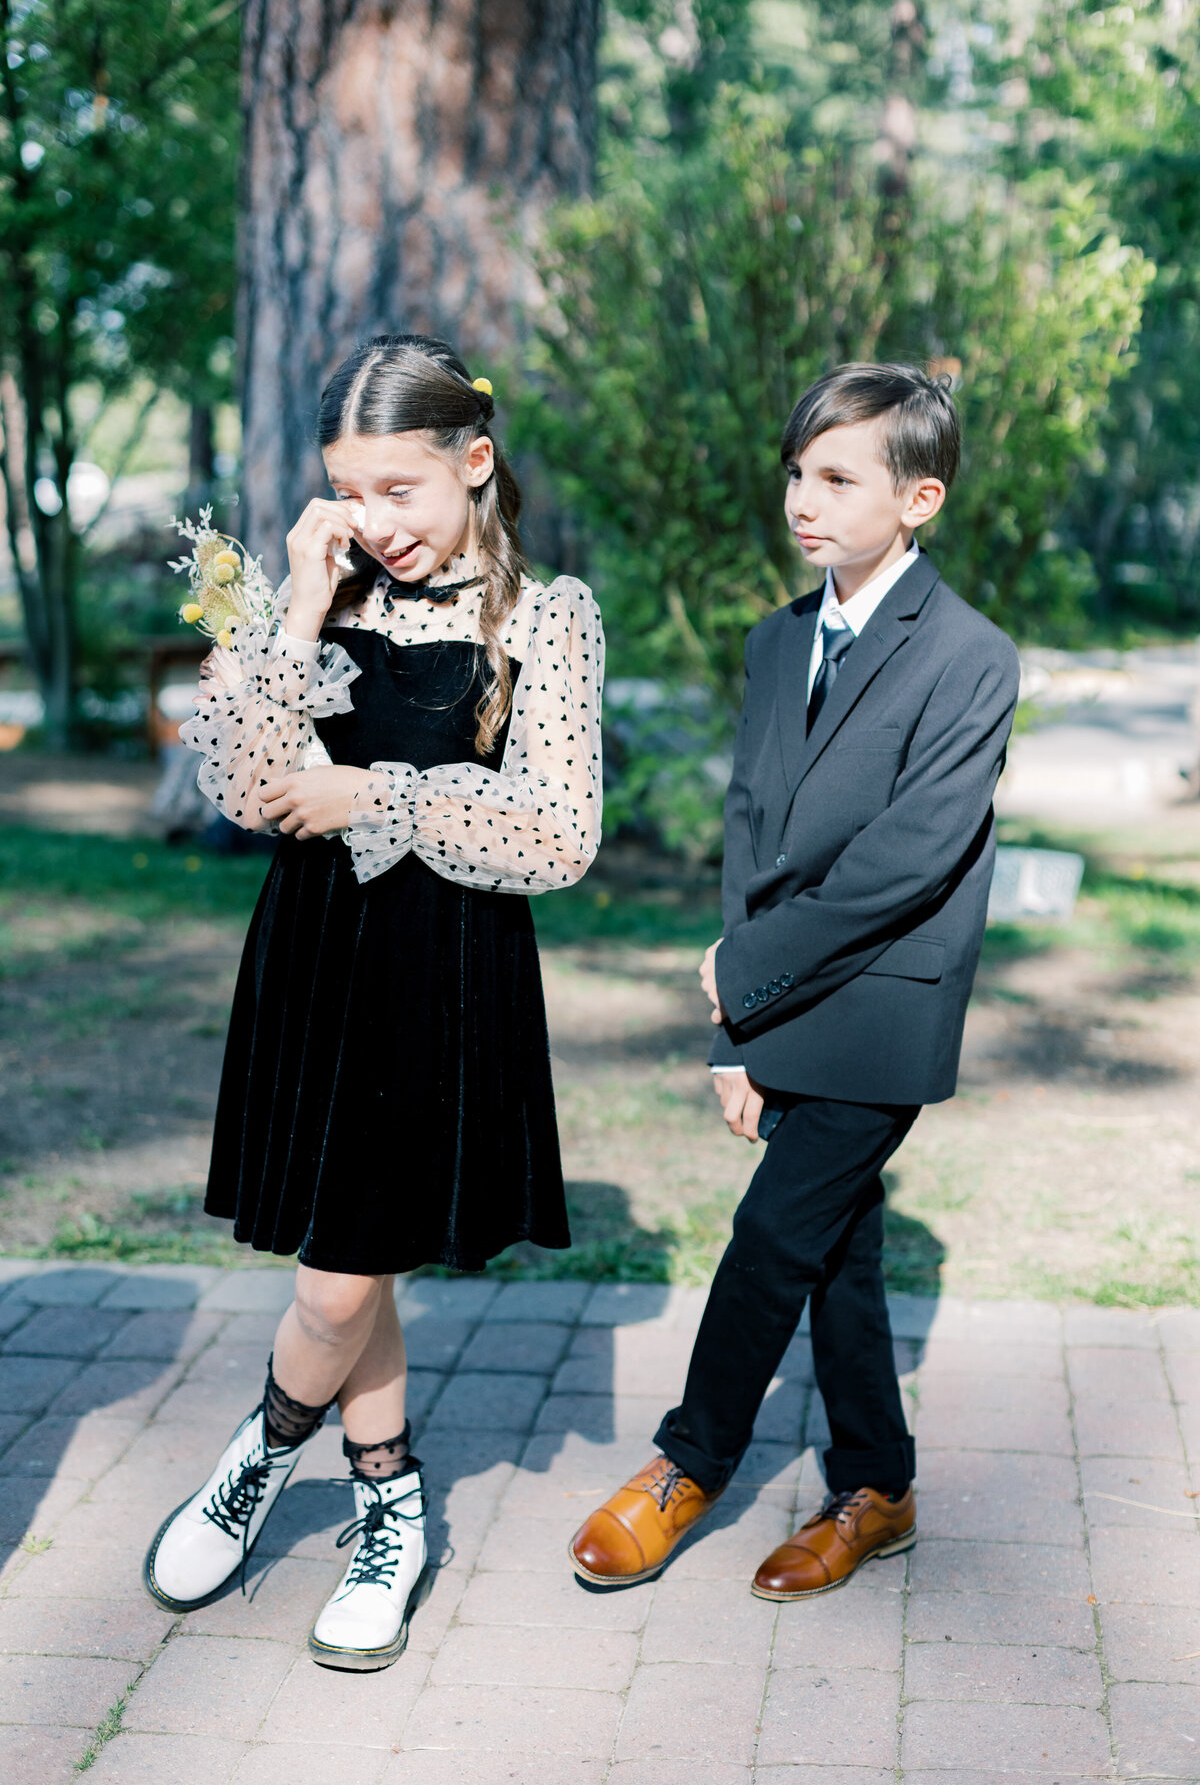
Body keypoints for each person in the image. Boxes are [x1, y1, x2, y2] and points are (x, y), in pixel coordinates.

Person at [142, 334, 603, 1669]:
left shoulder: (543, 616)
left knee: (341, 1281)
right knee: (354, 1263)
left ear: (475, 462)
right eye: (349, 488)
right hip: (314, 961)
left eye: (401, 487)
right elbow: (236, 788)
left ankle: (266, 1449)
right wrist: (290, 604)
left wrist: (375, 796)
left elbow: (562, 835)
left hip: (443, 978)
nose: (375, 520)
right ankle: (388, 1496)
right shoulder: (318, 601)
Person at [570, 362, 1019, 1601]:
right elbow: (753, 823)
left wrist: (745, 971)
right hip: (776, 996)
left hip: (883, 1002)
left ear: (918, 498)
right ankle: (877, 1486)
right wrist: (733, 1028)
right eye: (796, 473)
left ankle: (688, 1465)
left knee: (774, 1234)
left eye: (836, 476)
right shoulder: (778, 640)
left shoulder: (974, 657)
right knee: (840, 1252)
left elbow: (908, 861)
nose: (802, 500)